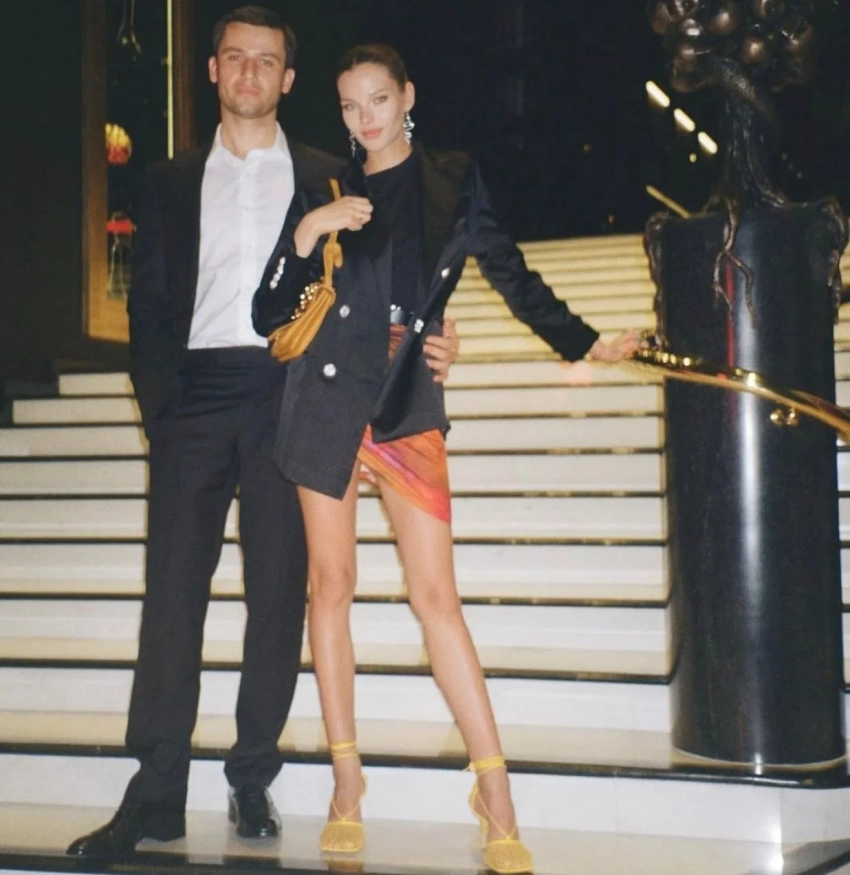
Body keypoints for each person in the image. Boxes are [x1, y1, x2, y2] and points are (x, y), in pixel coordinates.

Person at [66, 8, 461, 861]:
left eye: (267, 60)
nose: (250, 72)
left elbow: (394, 277)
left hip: (292, 394)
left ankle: (252, 774)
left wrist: (436, 335)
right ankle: (156, 789)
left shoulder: (329, 178)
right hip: (195, 397)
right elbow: (149, 306)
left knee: (280, 592)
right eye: (235, 57)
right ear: (213, 70)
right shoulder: (168, 181)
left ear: (288, 78)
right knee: (173, 591)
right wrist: (162, 406)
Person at [252, 43, 639, 875]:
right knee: (331, 585)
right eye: (350, 104)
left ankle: (495, 789)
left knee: (438, 598)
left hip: (403, 398)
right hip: (325, 400)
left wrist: (584, 341)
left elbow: (510, 273)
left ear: (407, 97)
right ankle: (346, 783)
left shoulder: (452, 179)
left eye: (378, 99)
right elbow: (270, 307)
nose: (365, 118)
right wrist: (309, 230)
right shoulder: (324, 185)